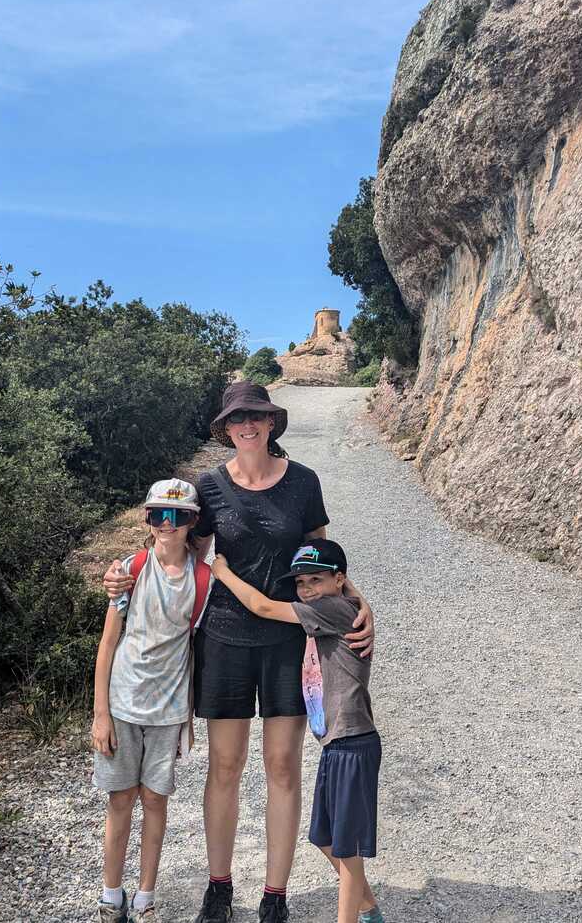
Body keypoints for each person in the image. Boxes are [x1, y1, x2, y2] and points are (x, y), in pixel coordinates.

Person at [104, 381, 374, 923]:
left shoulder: (303, 482)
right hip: (223, 640)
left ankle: (275, 897)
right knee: (224, 767)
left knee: (282, 767)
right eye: (236, 418)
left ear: (271, 422)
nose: (247, 425)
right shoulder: (208, 486)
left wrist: (355, 597)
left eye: (256, 415)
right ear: (225, 428)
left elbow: (321, 552)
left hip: (287, 642)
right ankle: (219, 888)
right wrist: (122, 572)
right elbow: (175, 541)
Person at [210, 538, 384, 923]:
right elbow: (335, 588)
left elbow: (261, 606)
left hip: (352, 741)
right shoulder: (339, 602)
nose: (307, 590)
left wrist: (221, 572)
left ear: (339, 580)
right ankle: (370, 910)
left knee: (346, 846)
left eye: (316, 580)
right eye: (301, 583)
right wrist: (354, 591)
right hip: (337, 743)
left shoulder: (332, 608)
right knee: (325, 839)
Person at [92, 478, 210, 923]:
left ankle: (145, 897)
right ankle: (110, 895)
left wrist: (190, 719)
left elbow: (197, 649)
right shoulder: (130, 568)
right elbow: (108, 644)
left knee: (156, 801)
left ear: (193, 522)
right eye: (159, 514)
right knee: (120, 799)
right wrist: (100, 714)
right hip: (122, 704)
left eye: (179, 516)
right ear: (147, 518)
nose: (168, 523)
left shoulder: (204, 579)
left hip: (168, 711)